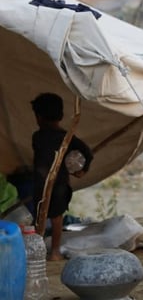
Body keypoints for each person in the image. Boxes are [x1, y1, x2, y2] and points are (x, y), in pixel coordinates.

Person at [30, 93, 93, 261]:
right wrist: (82, 170)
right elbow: (88, 152)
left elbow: (86, 152)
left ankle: (55, 251)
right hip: (48, 184)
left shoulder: (62, 137)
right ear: (61, 115)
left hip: (56, 185)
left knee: (55, 217)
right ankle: (49, 249)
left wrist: (80, 169)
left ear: (38, 116)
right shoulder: (48, 137)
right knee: (48, 216)